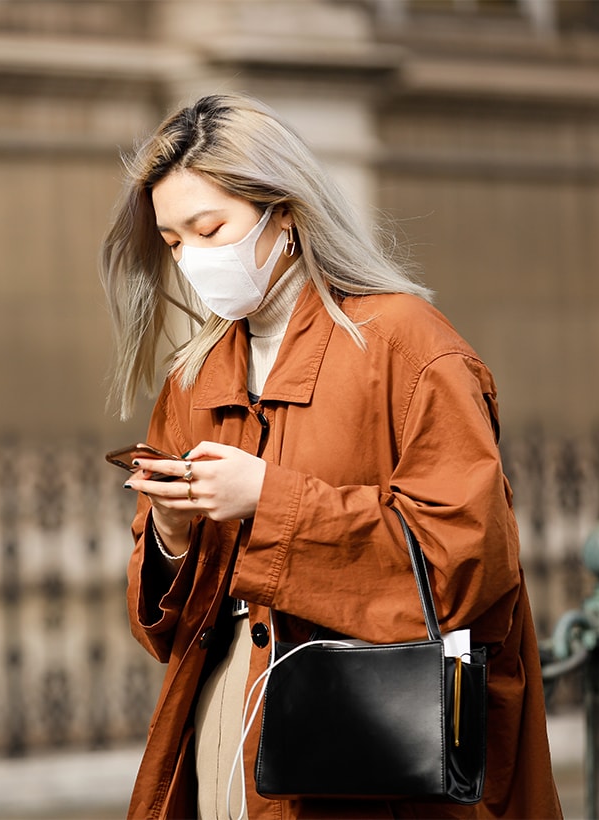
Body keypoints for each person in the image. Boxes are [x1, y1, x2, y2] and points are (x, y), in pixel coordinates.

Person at [98, 93, 563, 819]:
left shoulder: (405, 344)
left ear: (283, 211)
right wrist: (172, 532)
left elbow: (468, 565)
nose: (192, 258)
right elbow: (162, 626)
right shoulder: (194, 376)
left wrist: (267, 498)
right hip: (223, 728)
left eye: (209, 227)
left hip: (368, 751)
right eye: (174, 240)